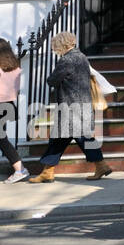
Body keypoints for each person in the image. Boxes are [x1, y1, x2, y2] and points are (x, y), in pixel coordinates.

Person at [32, 32, 111, 182]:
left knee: (80, 138)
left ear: (62, 45)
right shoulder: (82, 57)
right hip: (83, 104)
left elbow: (53, 80)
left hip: (70, 106)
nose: (54, 49)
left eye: (55, 46)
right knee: (60, 139)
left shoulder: (66, 60)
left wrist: (50, 78)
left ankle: (101, 165)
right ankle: (48, 171)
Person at [1, 39, 29, 183]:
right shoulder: (15, 68)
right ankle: (19, 169)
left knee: (2, 139)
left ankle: (20, 169)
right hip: (9, 105)